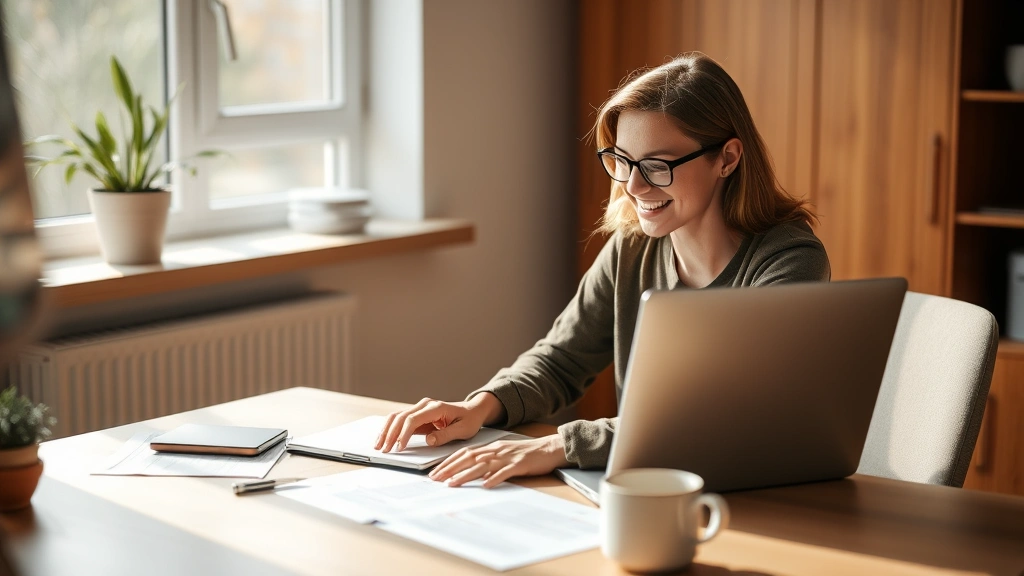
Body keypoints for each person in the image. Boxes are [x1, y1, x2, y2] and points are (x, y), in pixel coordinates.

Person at [375, 52, 830, 488]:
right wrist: (481, 406)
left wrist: (562, 444)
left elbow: (725, 418)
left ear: (727, 158)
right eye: (624, 161)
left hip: (760, 498)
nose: (632, 186)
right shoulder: (630, 248)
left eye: (656, 165)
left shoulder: (789, 262)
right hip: (651, 489)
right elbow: (560, 360)